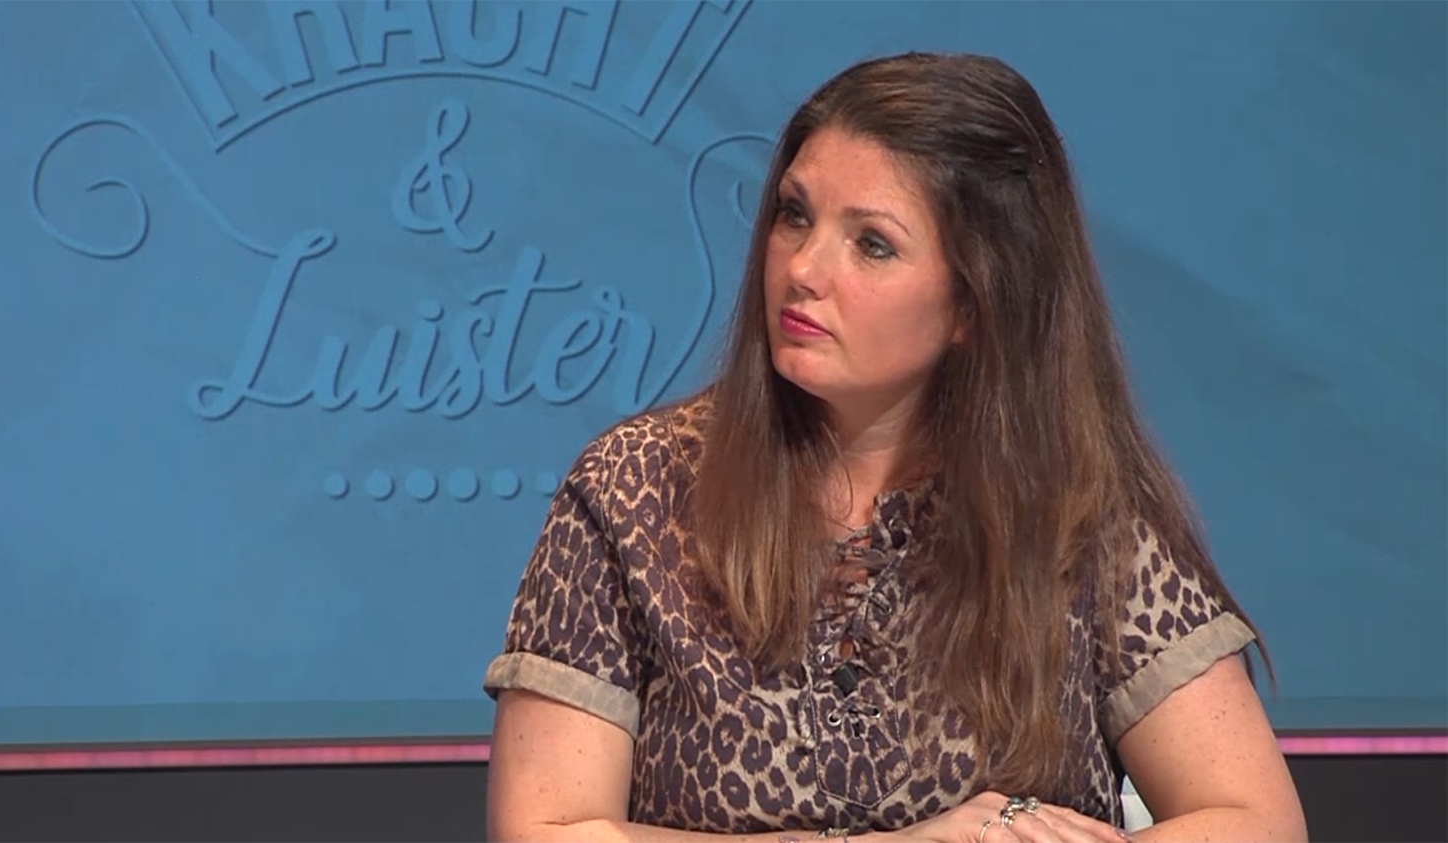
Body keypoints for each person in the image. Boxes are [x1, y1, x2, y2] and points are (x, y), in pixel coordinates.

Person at [481, 52, 1307, 843]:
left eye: (871, 243)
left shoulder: (1076, 506)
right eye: (794, 214)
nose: (803, 268)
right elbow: (542, 828)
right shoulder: (635, 489)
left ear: (972, 305)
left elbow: (1257, 821)